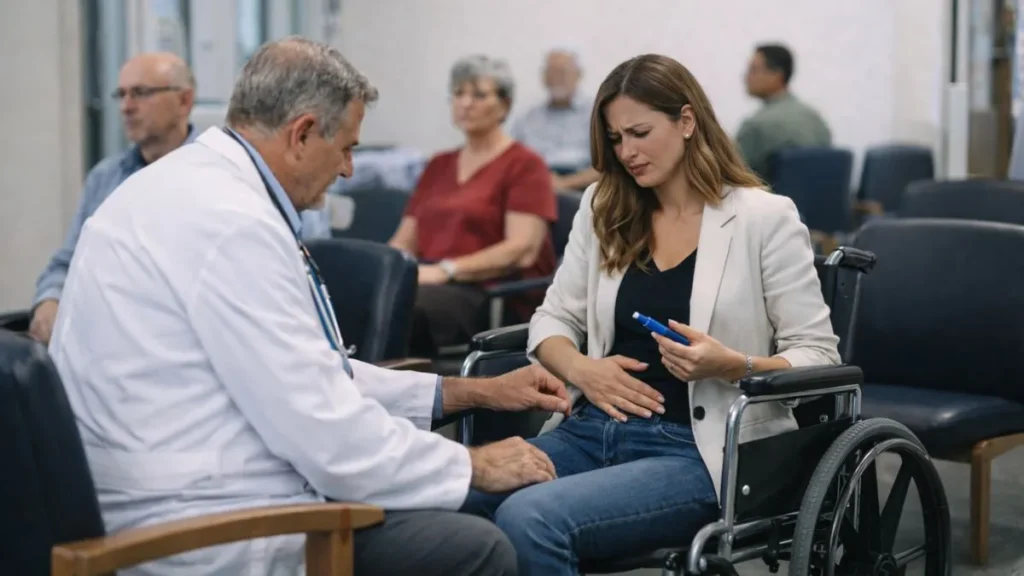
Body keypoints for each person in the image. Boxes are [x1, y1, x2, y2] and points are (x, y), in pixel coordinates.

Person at [49, 37, 572, 576]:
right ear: (301, 134)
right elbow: (325, 433)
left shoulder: (180, 188)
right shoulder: (232, 224)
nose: (349, 168)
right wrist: (471, 463)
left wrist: (463, 390)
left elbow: (307, 372)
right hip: (201, 529)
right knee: (479, 548)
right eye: (346, 147)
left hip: (154, 487)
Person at [461, 54, 841, 575]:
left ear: (687, 122)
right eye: (616, 139)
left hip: (696, 450)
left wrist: (730, 365)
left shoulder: (763, 219)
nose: (628, 152)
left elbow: (819, 358)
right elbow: (552, 321)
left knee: (531, 518)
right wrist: (580, 369)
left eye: (640, 132)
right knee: (454, 498)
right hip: (589, 430)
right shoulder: (604, 206)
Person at [28, 53, 331, 344]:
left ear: (184, 101)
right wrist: (50, 300)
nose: (126, 106)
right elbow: (67, 261)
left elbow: (305, 267)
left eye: (140, 93)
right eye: (121, 95)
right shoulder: (106, 178)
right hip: (114, 337)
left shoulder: (236, 175)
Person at [388, 55, 557, 356]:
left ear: (504, 105)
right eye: (458, 93)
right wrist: (383, 272)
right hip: (432, 281)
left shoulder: (526, 165)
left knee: (401, 309)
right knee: (370, 297)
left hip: (487, 292)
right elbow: (404, 241)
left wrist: (447, 270)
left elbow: (521, 249)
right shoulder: (438, 165)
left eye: (478, 95)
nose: (466, 103)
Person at [735, 44, 831, 179]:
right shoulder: (816, 119)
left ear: (777, 75)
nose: (746, 78)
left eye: (753, 70)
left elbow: (729, 175)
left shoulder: (756, 126)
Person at [511, 48, 599, 192]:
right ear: (543, 77)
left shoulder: (596, 113)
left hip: (584, 190)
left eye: (562, 72)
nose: (556, 78)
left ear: (578, 75)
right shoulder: (527, 117)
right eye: (551, 72)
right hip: (534, 187)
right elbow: (511, 160)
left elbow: (608, 166)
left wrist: (565, 183)